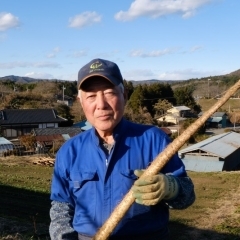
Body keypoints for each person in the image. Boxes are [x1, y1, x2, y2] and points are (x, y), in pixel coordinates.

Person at [49, 58, 195, 240]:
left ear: (124, 95)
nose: (101, 104)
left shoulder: (153, 139)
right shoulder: (70, 150)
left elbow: (187, 195)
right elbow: (61, 207)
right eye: (91, 96)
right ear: (81, 102)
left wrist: (171, 187)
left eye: (109, 93)